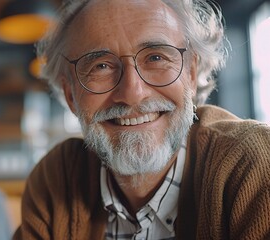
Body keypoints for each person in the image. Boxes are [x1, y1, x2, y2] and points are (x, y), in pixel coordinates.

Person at [14, 0, 270, 239]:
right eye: (101, 66)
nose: (132, 93)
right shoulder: (56, 179)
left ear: (191, 74)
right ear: (71, 95)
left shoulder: (255, 164)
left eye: (156, 58)